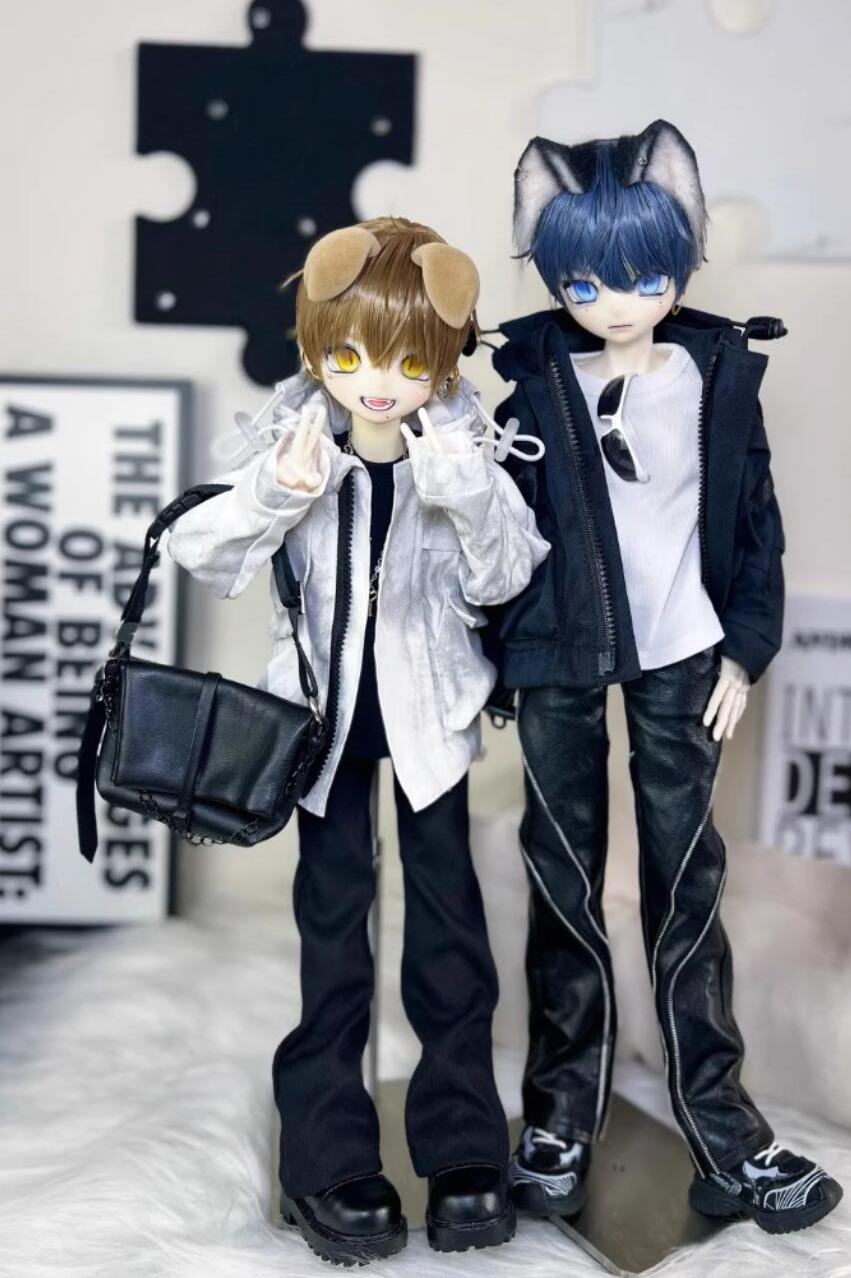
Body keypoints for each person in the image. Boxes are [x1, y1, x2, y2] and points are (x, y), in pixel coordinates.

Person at [164, 217, 550, 1265]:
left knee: (449, 941)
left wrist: (462, 488)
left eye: (408, 364)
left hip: (430, 723)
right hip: (321, 734)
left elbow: (507, 575)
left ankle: (463, 1150)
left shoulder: (462, 446)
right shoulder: (295, 440)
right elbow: (200, 552)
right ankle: (328, 1153)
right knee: (333, 941)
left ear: (445, 359)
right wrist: (275, 493)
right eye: (350, 357)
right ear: (317, 348)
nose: (377, 384)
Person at [484, 121, 843, 1235]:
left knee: (687, 887)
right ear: (550, 272)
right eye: (584, 282)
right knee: (562, 881)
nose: (616, 303)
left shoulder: (715, 375)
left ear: (683, 252)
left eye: (643, 276)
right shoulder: (531, 382)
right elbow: (493, 537)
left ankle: (724, 1137)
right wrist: (489, 650)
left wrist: (746, 647)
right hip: (556, 651)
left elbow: (756, 523)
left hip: (685, 647)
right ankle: (559, 1118)